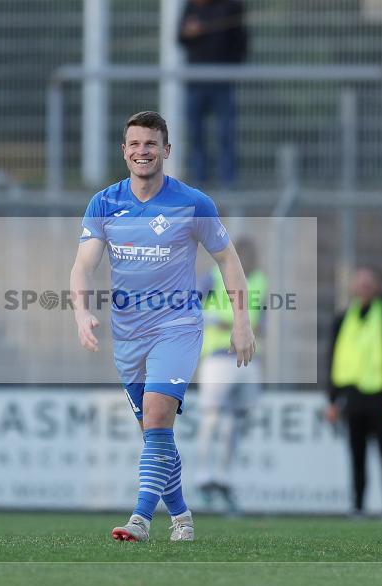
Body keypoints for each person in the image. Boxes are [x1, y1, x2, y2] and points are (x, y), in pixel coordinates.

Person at [70, 111, 254, 542]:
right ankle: (183, 517)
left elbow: (229, 261)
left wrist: (242, 321)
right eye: (134, 144)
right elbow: (83, 265)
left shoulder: (193, 203)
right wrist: (81, 312)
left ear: (166, 151)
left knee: (156, 416)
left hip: (177, 326)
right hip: (128, 334)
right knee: (156, 433)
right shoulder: (104, 203)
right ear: (124, 151)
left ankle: (140, 518)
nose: (142, 151)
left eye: (150, 144)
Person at [325, 266, 382, 517]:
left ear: (378, 286)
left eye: (369, 283)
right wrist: (332, 400)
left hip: (381, 399)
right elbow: (334, 360)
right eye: (360, 282)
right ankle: (357, 507)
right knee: (356, 457)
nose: (364, 287)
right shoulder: (343, 318)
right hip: (353, 399)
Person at [195, 237, 266, 514]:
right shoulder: (212, 278)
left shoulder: (260, 281)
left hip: (247, 359)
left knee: (235, 422)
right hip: (217, 356)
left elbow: (261, 322)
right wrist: (219, 320)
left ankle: (224, 479)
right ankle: (203, 477)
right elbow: (190, 306)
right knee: (211, 417)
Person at [178, 0, 248, 186]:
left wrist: (231, 70)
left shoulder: (232, 6)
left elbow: (241, 42)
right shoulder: (192, 6)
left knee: (226, 135)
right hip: (196, 81)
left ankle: (229, 185)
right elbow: (180, 37)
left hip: (223, 82)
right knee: (196, 135)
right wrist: (188, 32)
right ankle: (199, 184)